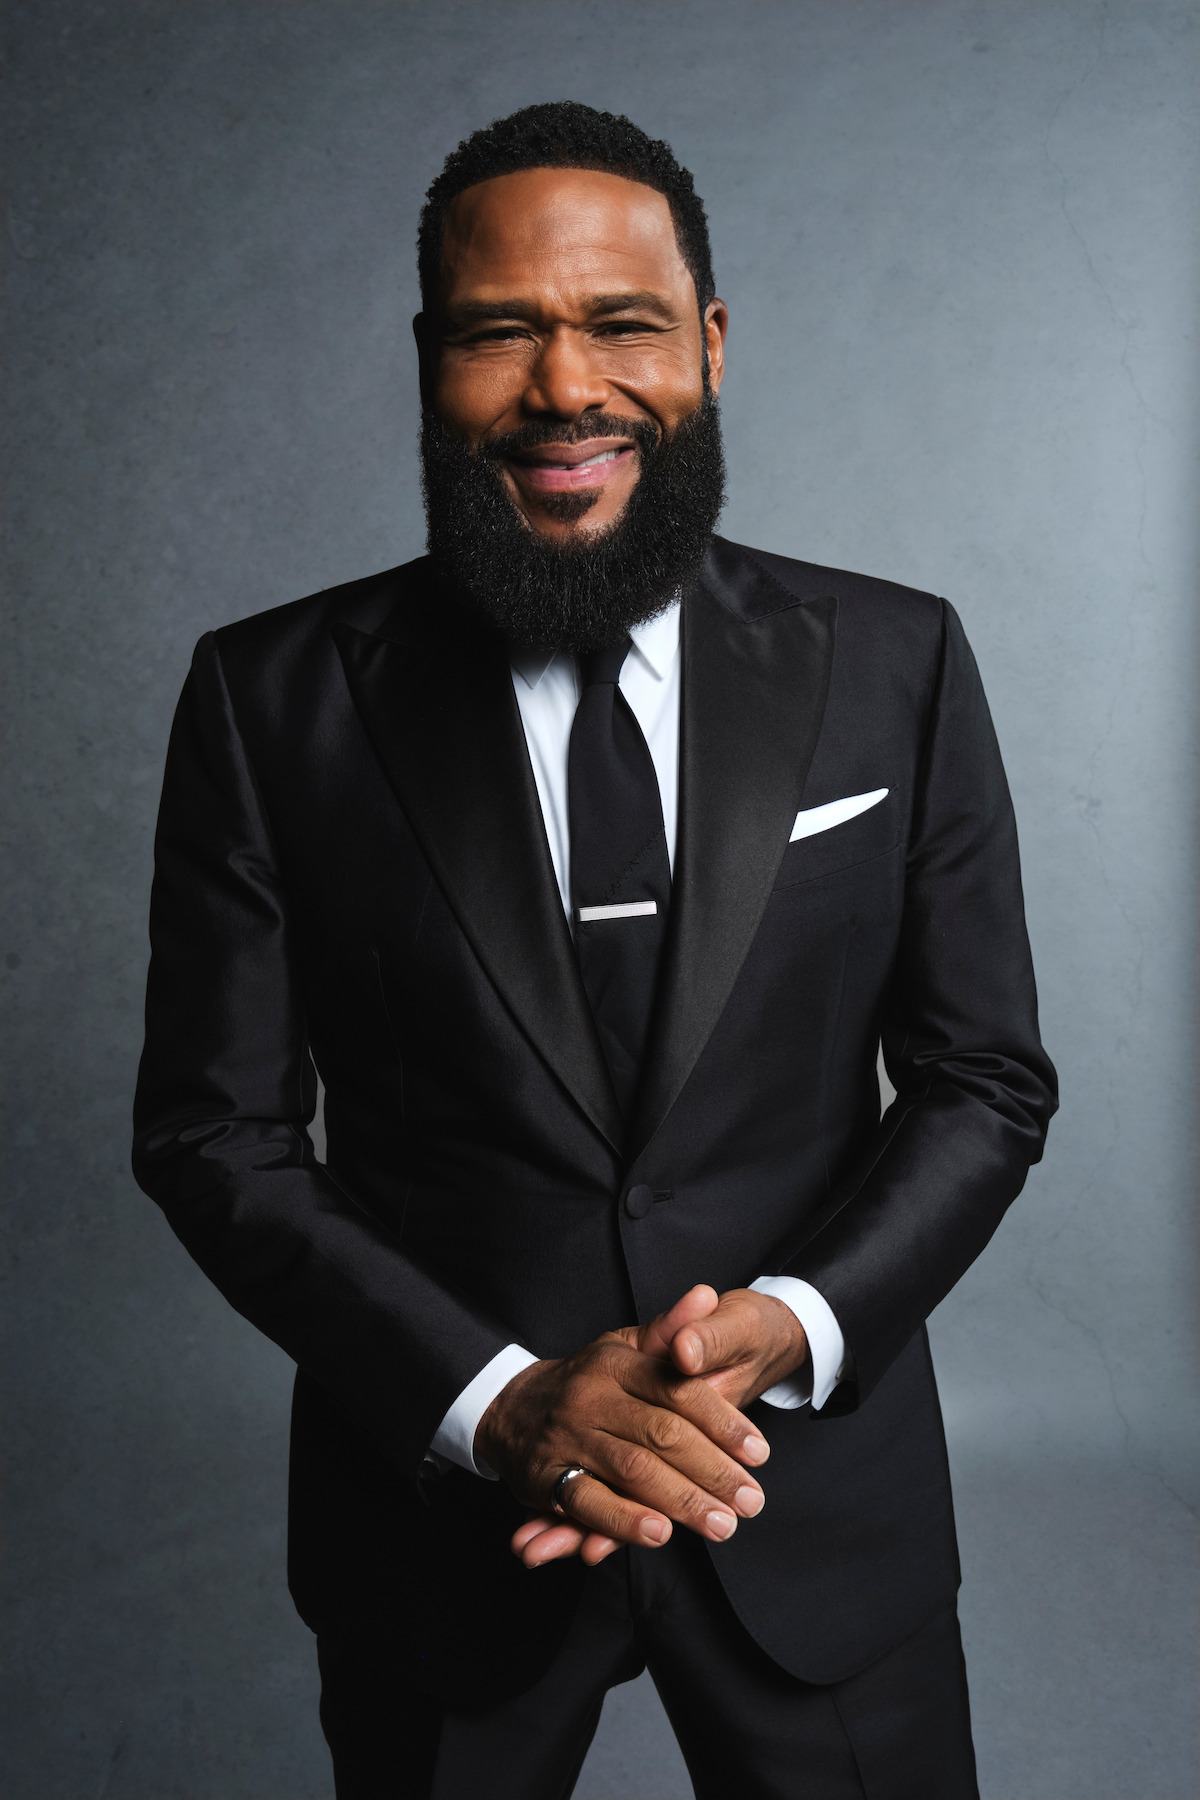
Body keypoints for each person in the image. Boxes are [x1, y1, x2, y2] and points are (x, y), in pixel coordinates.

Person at [133, 101, 1057, 1799]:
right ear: (431, 360)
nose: (565, 388)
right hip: (441, 1539)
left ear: (707, 342)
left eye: (622, 323)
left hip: (807, 1506)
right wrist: (499, 1403)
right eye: (503, 331)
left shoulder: (897, 661)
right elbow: (213, 1134)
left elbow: (981, 1078)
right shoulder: (269, 704)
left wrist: (790, 1324)